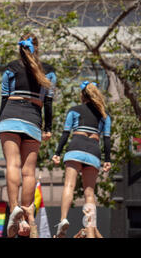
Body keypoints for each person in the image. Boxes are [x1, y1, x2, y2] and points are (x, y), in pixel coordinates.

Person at [0, 34, 56, 238]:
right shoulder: (48, 71)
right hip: (32, 119)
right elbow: (48, 102)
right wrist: (48, 128)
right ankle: (25, 210)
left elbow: (4, 97)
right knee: (28, 171)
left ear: (20, 48)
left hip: (10, 116)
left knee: (12, 164)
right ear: (37, 48)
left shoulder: (11, 67)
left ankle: (15, 210)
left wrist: (1, 121)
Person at [52, 81, 111, 238]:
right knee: (89, 193)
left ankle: (63, 220)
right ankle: (90, 231)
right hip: (94, 151)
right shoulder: (104, 116)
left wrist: (57, 152)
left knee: (69, 185)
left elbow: (65, 133)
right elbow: (107, 140)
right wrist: (108, 160)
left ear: (82, 95)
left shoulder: (74, 110)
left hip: (76, 147)